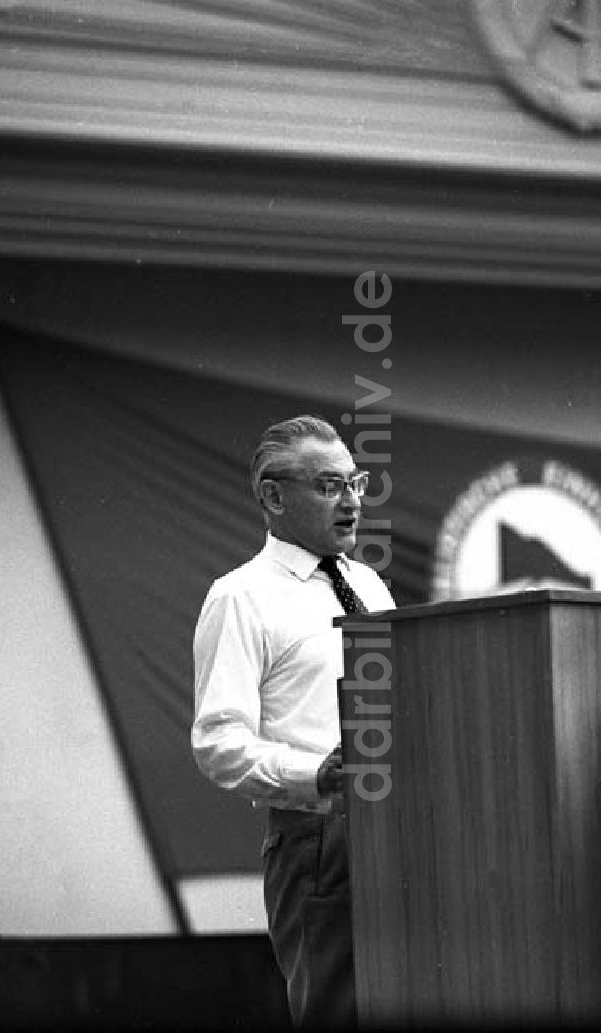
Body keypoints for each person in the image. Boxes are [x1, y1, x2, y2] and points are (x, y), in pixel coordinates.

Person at [191, 414, 394, 1029]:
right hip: (319, 835)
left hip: (402, 827)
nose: (353, 502)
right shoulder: (241, 597)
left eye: (356, 483)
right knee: (337, 1012)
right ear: (274, 498)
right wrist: (317, 775)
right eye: (330, 486)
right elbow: (218, 742)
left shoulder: (371, 587)